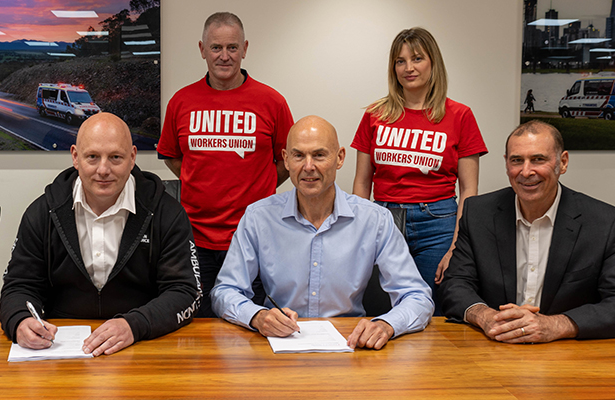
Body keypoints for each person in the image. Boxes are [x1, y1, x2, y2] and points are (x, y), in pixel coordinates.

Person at [211, 116, 434, 350]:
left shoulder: (374, 220)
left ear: (339, 158)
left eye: (319, 155)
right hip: (279, 347)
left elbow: (417, 296)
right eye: (298, 156)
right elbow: (225, 291)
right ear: (286, 160)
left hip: (351, 347)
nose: (308, 167)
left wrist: (387, 324)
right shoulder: (258, 217)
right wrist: (257, 317)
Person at [0, 113, 200, 356]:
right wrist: (20, 321)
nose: (103, 170)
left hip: (143, 343)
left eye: (115, 157)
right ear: (75, 157)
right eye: (92, 157)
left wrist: (134, 325)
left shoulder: (167, 213)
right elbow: (18, 286)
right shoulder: (42, 213)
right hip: (59, 348)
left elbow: (185, 292)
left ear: (133, 157)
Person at [157, 12, 294, 317]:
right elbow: (171, 154)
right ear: (202, 49)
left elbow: (289, 158)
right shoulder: (181, 102)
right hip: (195, 237)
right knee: (198, 323)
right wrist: (197, 178)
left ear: (245, 49)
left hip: (253, 237)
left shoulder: (271, 101)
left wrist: (263, 181)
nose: (224, 56)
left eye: (232, 47)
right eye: (216, 47)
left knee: (253, 323)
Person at [351, 27, 488, 313]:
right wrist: (357, 236)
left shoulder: (460, 115)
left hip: (438, 223)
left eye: (417, 59)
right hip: (385, 219)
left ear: (433, 62)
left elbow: (469, 191)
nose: (408, 68)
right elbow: (362, 184)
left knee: (432, 308)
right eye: (400, 61)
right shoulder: (374, 116)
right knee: (382, 307)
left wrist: (456, 246)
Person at [440, 120, 615, 342]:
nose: (526, 171)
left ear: (562, 163)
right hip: (492, 348)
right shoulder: (478, 214)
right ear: (506, 164)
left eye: (538, 159)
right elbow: (455, 284)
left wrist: (557, 325)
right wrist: (485, 317)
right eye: (516, 161)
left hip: (568, 355)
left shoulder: (604, 223)